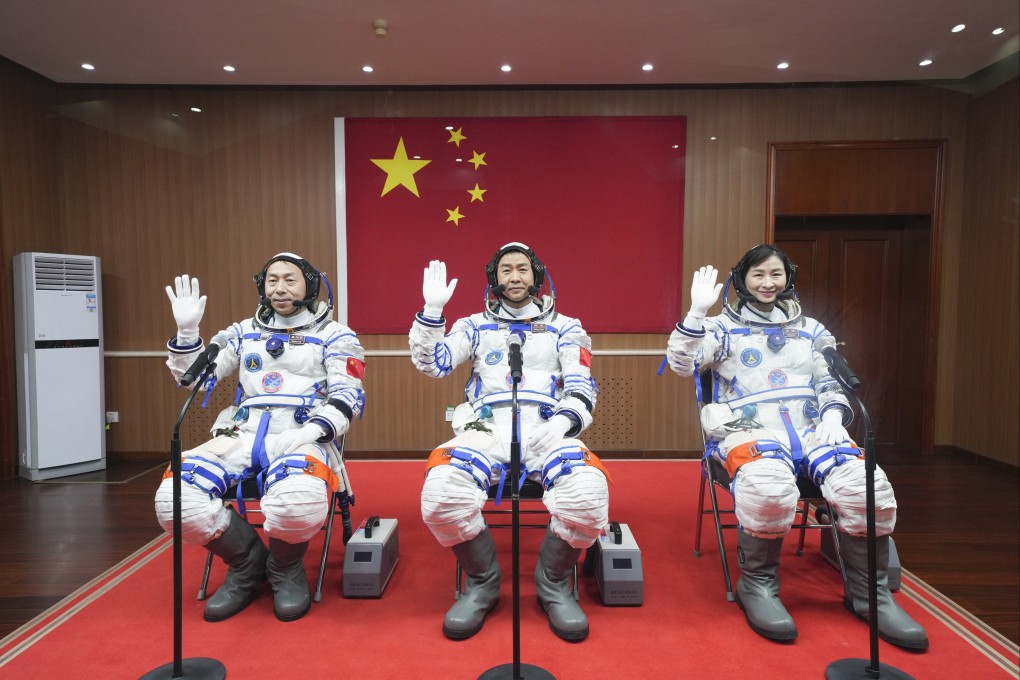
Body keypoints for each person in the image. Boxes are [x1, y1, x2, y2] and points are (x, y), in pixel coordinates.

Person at [666, 244, 928, 650]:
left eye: (776, 274)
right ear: (741, 279)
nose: (768, 283)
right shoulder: (720, 329)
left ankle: (871, 594)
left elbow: (830, 381)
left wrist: (833, 417)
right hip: (747, 431)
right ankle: (758, 586)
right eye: (758, 275)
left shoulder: (812, 329)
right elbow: (683, 365)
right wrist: (697, 313)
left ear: (788, 277)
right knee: (768, 488)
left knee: (866, 489)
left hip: (813, 429)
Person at [409, 242, 609, 642]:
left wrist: (565, 422)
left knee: (588, 495)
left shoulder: (567, 327)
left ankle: (553, 583)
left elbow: (582, 385)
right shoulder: (472, 325)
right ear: (493, 278)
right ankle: (482, 581)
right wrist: (432, 315)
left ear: (536, 276)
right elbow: (434, 364)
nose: (514, 277)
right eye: (505, 270)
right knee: (441, 494)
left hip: (546, 426)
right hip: (487, 426)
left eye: (522, 269)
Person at [155, 253, 365, 623]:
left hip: (302, 432)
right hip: (241, 430)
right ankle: (247, 563)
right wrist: (187, 334)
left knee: (298, 501)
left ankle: (285, 569)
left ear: (311, 286)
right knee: (175, 500)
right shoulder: (240, 333)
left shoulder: (336, 335)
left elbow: (349, 394)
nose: (280, 288)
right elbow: (193, 379)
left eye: (290, 279)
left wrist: (313, 431)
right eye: (272, 280)